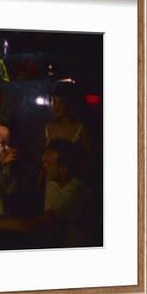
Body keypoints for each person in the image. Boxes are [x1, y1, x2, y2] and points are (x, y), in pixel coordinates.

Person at [0, 139, 92, 249]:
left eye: (47, 163)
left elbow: (35, 224)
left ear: (63, 169)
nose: (44, 167)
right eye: (43, 162)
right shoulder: (65, 187)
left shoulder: (74, 193)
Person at [41, 82, 90, 212]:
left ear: (70, 104)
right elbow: (45, 158)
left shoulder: (80, 128)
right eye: (54, 102)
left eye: (60, 103)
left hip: (72, 185)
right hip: (51, 184)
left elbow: (88, 160)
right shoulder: (49, 128)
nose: (56, 107)